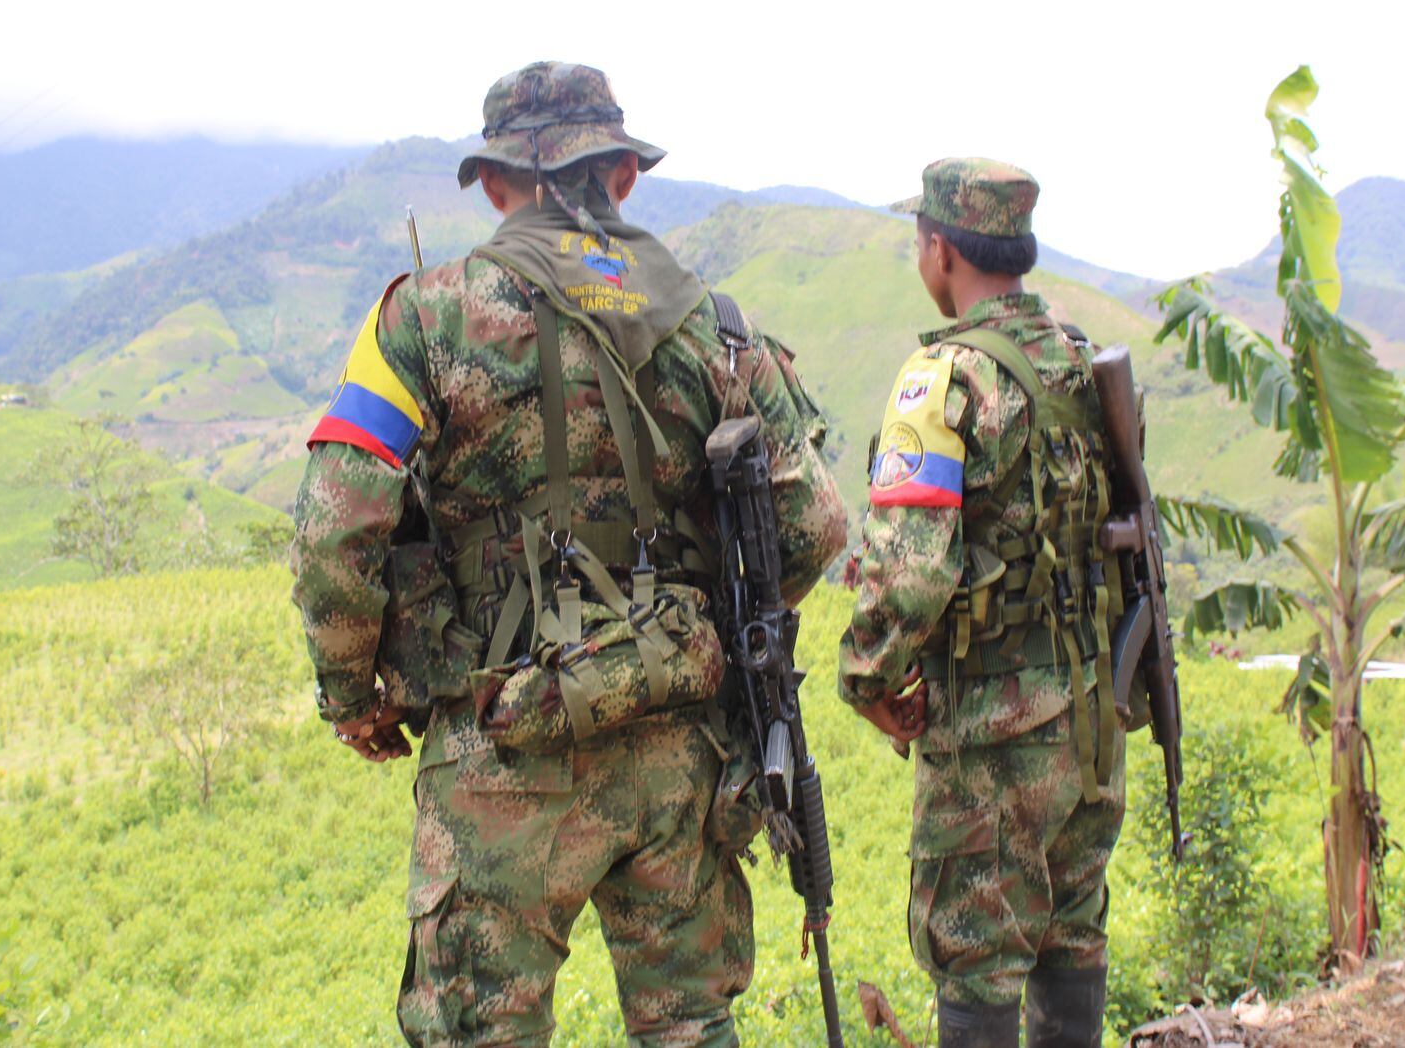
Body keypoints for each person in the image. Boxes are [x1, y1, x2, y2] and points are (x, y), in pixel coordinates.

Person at [290, 61, 847, 1047]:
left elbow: (337, 522)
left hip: (502, 739)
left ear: (496, 183)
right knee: (689, 1026)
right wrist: (692, 630)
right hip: (683, 743)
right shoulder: (718, 330)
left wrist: (353, 694)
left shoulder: (421, 317)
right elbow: (814, 529)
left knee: (476, 1029)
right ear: (622, 175)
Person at [838, 158, 1126, 1048]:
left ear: (941, 250)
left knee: (975, 954)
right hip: (1090, 718)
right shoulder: (1079, 359)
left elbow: (911, 574)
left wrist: (866, 678)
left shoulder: (945, 380)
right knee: (1071, 933)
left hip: (994, 733)